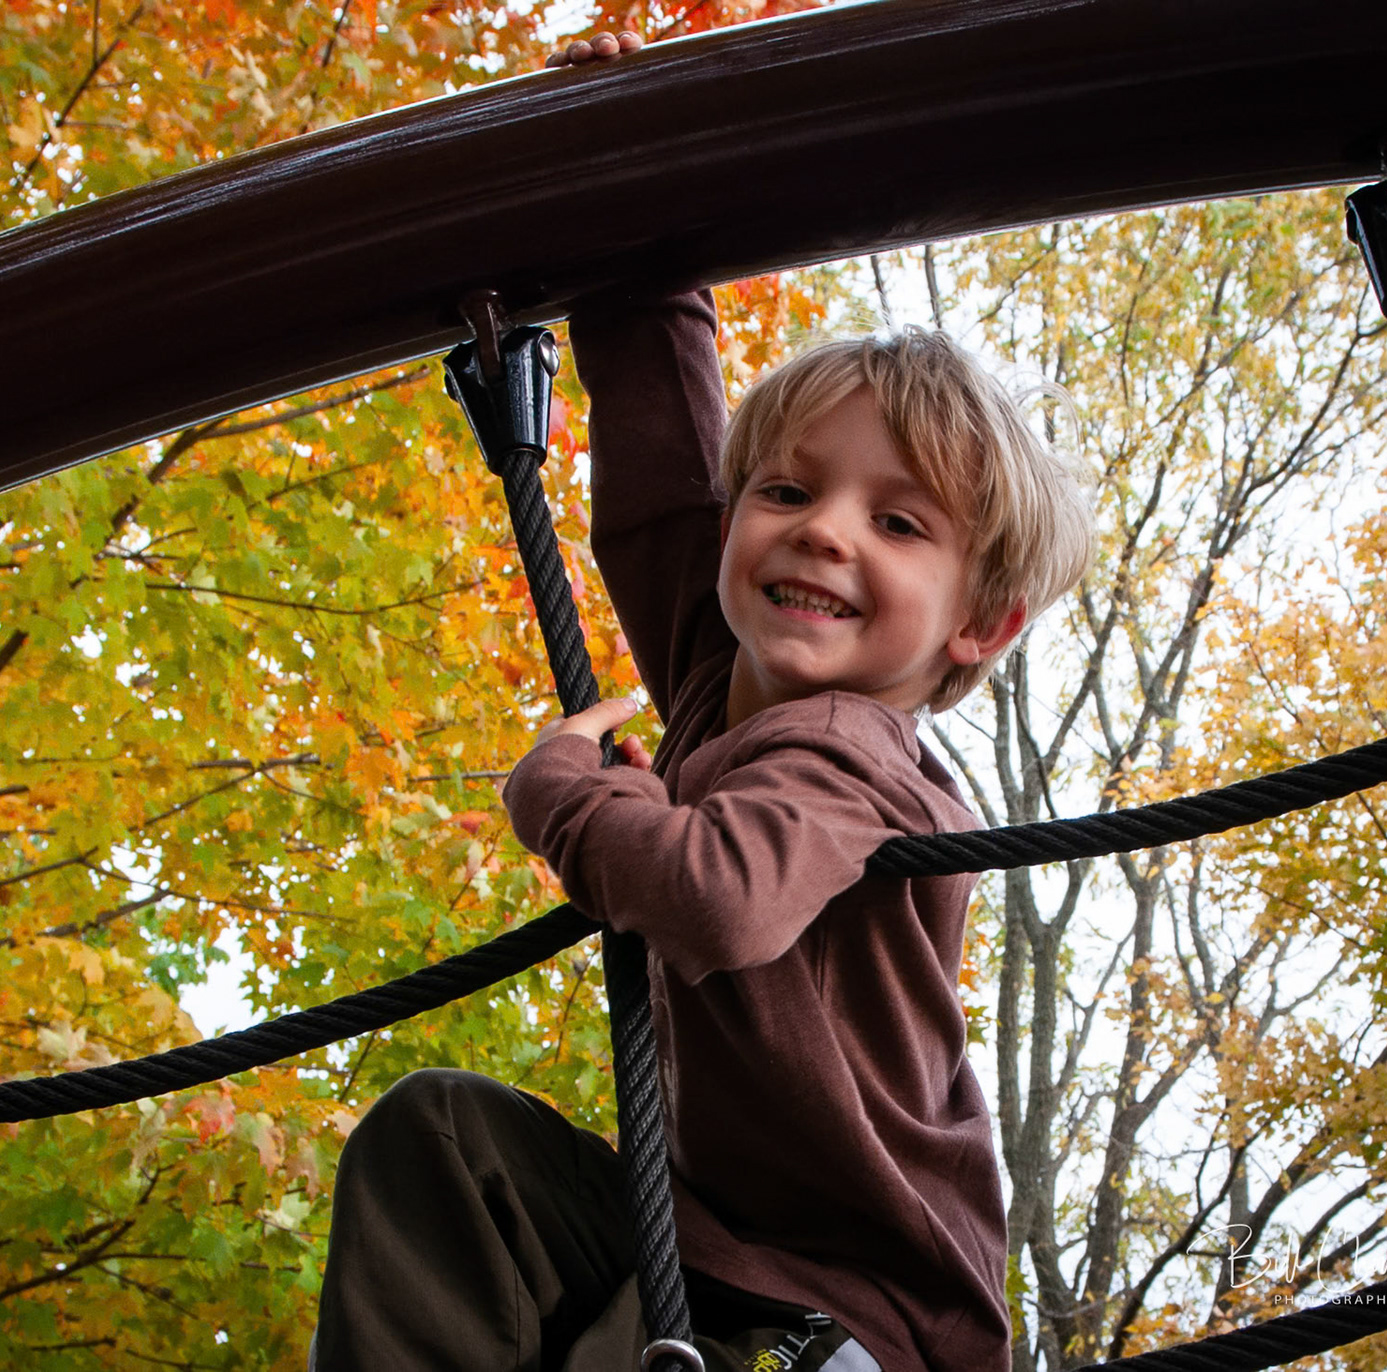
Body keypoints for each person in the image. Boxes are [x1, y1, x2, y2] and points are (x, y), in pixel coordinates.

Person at [310, 33, 1096, 1372]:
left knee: (627, 1346)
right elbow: (670, 478)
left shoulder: (862, 755)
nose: (821, 533)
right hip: (702, 1239)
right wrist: (633, 181)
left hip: (852, 1310)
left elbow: (716, 895)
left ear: (977, 622)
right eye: (787, 492)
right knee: (442, 1141)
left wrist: (560, 789)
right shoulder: (721, 677)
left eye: (896, 521)